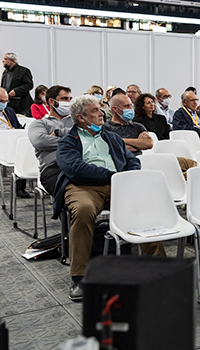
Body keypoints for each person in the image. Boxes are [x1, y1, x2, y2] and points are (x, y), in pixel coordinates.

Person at [53, 95, 158, 302]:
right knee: (83, 210)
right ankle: (79, 277)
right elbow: (75, 169)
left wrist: (128, 176)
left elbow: (131, 160)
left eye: (101, 109)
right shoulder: (67, 141)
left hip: (117, 184)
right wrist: (113, 176)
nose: (102, 113)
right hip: (83, 187)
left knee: (145, 208)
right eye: (95, 111)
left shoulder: (111, 137)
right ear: (81, 118)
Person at [28, 85, 73, 196]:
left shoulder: (77, 121)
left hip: (79, 163)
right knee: (70, 193)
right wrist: (75, 140)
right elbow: (40, 141)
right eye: (64, 99)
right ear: (52, 102)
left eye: (70, 99)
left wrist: (58, 133)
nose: (68, 102)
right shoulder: (40, 123)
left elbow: (87, 134)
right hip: (53, 167)